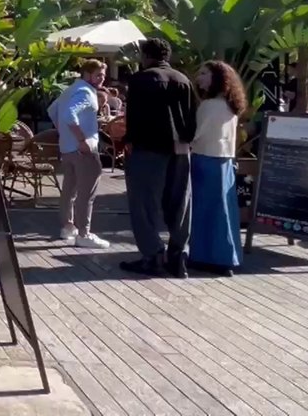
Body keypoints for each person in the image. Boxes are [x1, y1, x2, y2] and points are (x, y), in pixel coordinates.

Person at [121, 38, 197, 278]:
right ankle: (178, 256)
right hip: (181, 150)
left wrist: (129, 141)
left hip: (148, 149)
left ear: (145, 56)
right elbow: (191, 116)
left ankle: (153, 255)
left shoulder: (140, 80)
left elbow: (134, 117)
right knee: (181, 205)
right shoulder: (183, 80)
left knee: (144, 205)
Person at [190, 61, 245, 276]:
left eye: (204, 73)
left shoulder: (209, 105)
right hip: (224, 161)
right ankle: (226, 256)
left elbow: (195, 134)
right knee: (224, 210)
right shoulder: (230, 105)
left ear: (217, 78)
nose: (199, 77)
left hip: (205, 160)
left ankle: (207, 256)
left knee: (205, 210)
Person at [48, 59, 110, 249]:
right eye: (98, 75)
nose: (102, 79)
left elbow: (52, 110)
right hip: (83, 150)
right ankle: (84, 233)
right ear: (87, 74)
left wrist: (65, 134)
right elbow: (68, 115)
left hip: (67, 149)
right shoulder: (85, 92)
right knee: (86, 193)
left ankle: (68, 226)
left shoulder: (71, 89)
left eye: (103, 75)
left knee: (69, 190)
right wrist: (82, 139)